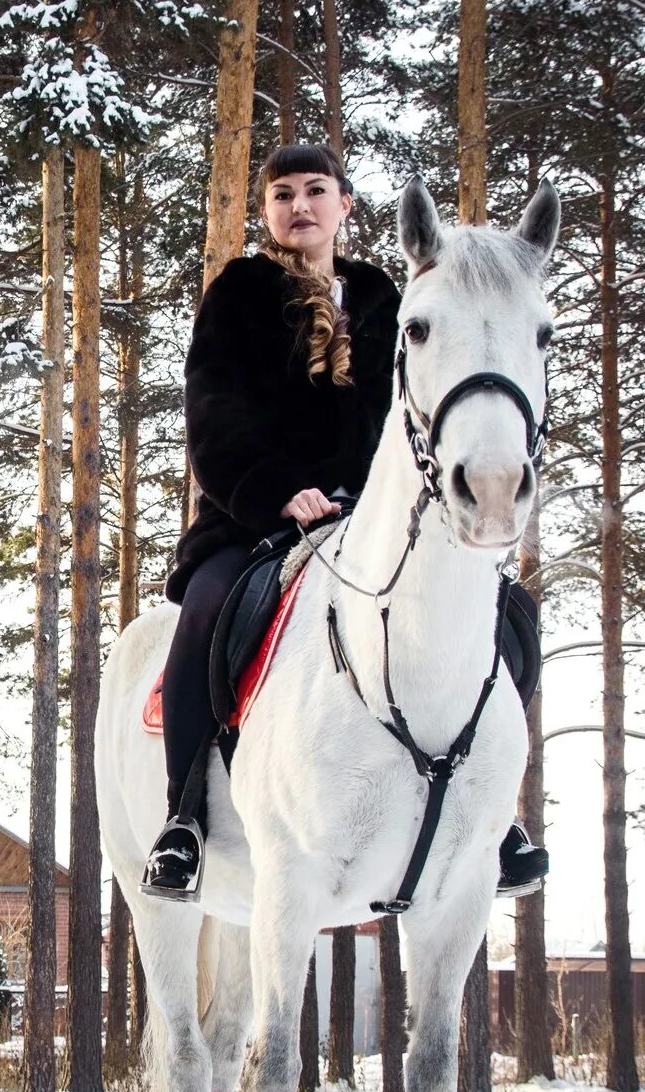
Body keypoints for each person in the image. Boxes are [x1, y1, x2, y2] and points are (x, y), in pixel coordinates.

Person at [141, 143, 545, 901]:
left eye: (315, 190)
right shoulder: (238, 291)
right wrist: (276, 491)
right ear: (266, 211)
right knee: (204, 610)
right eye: (283, 194)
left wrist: (389, 499)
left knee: (509, 615)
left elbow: (409, 412)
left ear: (345, 204)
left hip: (377, 518)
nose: (299, 205)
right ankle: (185, 817)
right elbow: (212, 413)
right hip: (256, 519)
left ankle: (494, 815)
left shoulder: (386, 297)